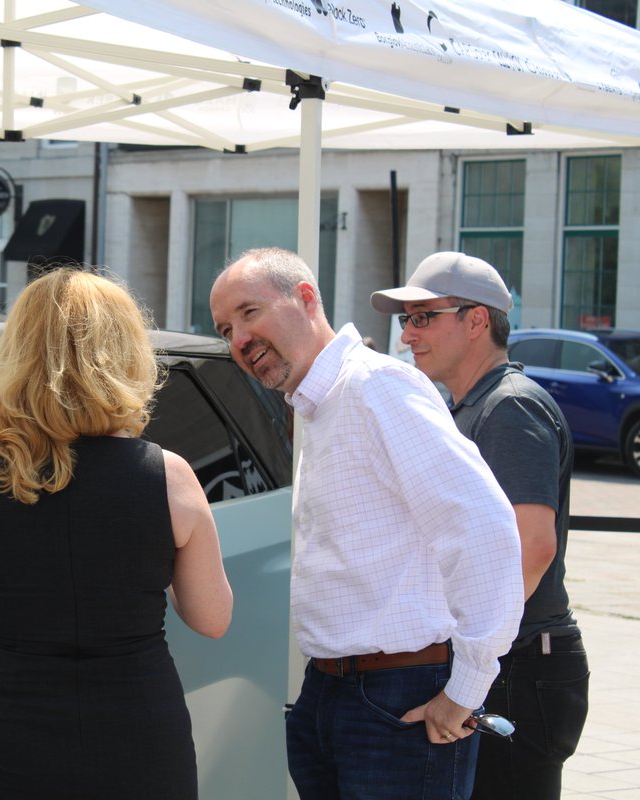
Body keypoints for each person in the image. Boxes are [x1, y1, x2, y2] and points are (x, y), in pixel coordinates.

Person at [209, 246, 523, 800]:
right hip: (334, 693)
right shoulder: (324, 401)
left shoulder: (375, 387)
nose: (238, 340)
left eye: (249, 313)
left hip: (398, 698)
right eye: (226, 328)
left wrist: (467, 688)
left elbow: (484, 527)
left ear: (306, 298)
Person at [0, 267, 232, 800]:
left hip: (9, 732)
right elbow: (213, 619)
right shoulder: (168, 474)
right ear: (127, 354)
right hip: (138, 731)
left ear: (16, 354)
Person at [372, 251, 589, 800]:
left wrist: (470, 677)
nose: (407, 337)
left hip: (520, 669)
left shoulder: (509, 408)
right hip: (510, 664)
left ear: (476, 320)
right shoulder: (471, 407)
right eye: (406, 320)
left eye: (423, 317)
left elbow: (531, 548)